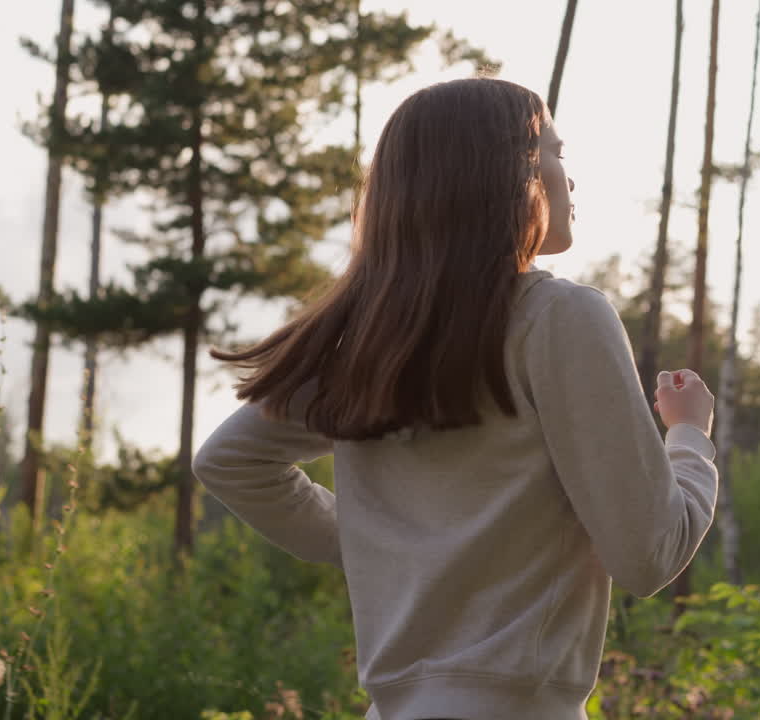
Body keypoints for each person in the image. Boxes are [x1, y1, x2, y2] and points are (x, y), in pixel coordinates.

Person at [193, 77, 718, 720]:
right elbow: (649, 554)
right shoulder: (560, 317)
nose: (569, 180)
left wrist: (374, 546)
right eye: (554, 152)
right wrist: (690, 439)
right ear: (509, 173)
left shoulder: (371, 337)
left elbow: (229, 461)